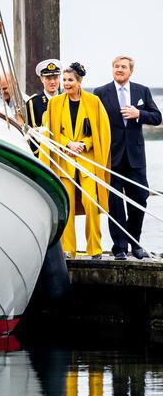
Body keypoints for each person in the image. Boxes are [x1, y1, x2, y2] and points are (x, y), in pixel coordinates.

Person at [40, 62, 111, 259]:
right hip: (64, 161)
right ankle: (68, 248)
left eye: (70, 80)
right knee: (67, 205)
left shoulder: (94, 102)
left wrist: (84, 144)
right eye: (64, 80)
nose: (65, 83)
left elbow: (101, 132)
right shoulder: (55, 104)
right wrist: (68, 144)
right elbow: (51, 132)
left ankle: (95, 248)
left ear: (79, 82)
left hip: (88, 161)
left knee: (91, 202)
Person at [94, 56, 161, 259]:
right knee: (114, 204)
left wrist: (138, 113)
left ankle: (135, 243)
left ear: (131, 71)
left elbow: (157, 117)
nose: (119, 70)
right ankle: (120, 248)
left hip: (136, 157)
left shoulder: (142, 91)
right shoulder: (100, 92)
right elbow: (94, 122)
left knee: (139, 200)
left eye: (123, 67)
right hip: (111, 157)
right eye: (116, 66)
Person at [26, 58, 62, 155]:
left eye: (55, 78)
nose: (52, 82)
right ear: (42, 79)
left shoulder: (67, 100)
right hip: (43, 154)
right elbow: (28, 132)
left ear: (59, 78)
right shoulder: (33, 103)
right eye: (48, 78)